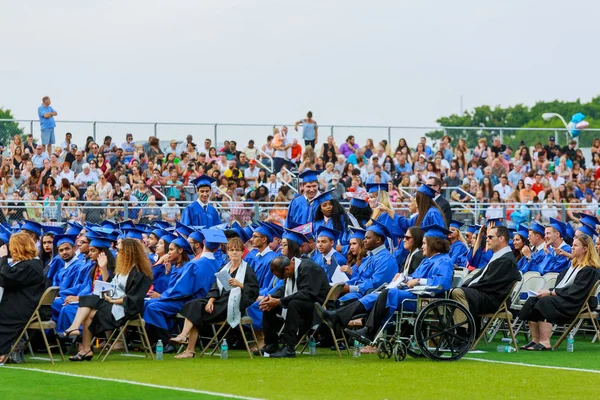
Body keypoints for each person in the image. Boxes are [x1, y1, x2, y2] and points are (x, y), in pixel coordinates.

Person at [323, 225, 453, 345]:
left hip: (424, 299)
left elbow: (443, 283)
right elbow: (415, 277)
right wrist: (404, 277)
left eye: (424, 243)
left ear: (433, 244)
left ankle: (368, 330)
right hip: (411, 294)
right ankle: (337, 316)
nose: (422, 246)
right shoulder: (428, 260)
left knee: (387, 293)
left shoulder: (444, 261)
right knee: (374, 296)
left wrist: (419, 281)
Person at [61, 239, 153, 361]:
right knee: (88, 307)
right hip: (112, 303)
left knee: (89, 308)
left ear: (129, 252)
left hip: (125, 309)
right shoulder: (123, 270)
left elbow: (134, 299)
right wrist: (103, 268)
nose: (117, 253)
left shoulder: (141, 274)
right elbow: (108, 286)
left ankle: (78, 335)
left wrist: (112, 301)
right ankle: (84, 346)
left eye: (120, 250)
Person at [171, 237, 259, 359]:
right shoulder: (225, 268)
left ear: (242, 252)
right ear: (227, 252)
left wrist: (240, 284)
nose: (234, 252)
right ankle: (185, 339)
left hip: (231, 305)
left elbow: (254, 291)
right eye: (232, 250)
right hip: (218, 302)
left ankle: (188, 347)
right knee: (194, 305)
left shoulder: (247, 270)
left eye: (237, 250)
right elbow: (216, 287)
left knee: (196, 312)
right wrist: (211, 300)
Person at [519, 233, 599, 350]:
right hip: (564, 298)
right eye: (572, 245)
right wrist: (546, 291)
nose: (572, 247)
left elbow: (576, 292)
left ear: (585, 249)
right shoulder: (573, 266)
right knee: (533, 300)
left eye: (576, 246)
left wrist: (551, 293)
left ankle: (545, 342)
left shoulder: (589, 270)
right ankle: (535, 340)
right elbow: (561, 286)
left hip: (575, 303)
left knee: (545, 301)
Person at [259, 255, 330, 358]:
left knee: (294, 304)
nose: (284, 279)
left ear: (287, 269)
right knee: (269, 305)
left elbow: (307, 293)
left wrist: (279, 301)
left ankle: (289, 348)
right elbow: (284, 289)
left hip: (317, 305)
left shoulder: (308, 268)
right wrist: (272, 298)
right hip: (304, 302)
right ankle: (271, 344)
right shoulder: (292, 269)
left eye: (282, 277)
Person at [450, 225, 521, 323]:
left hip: (494, 300)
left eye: (490, 237)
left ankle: (463, 330)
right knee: (453, 291)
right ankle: (462, 328)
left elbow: (489, 283)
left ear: (501, 239)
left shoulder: (506, 260)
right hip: (486, 295)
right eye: (487, 237)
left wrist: (468, 287)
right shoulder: (499, 255)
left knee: (458, 292)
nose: (487, 240)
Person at [0, 232, 48, 364]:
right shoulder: (30, 264)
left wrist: (3, 258)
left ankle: (3, 352)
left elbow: (5, 279)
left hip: (21, 308)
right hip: (22, 304)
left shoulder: (29, 266)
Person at [338, 221, 397, 303]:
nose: (364, 241)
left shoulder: (385, 259)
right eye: (364, 238)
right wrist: (344, 285)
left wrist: (350, 288)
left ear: (378, 240)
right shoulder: (370, 257)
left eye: (368, 238)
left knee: (340, 301)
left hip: (367, 296)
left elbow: (376, 283)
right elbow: (359, 277)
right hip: (360, 292)